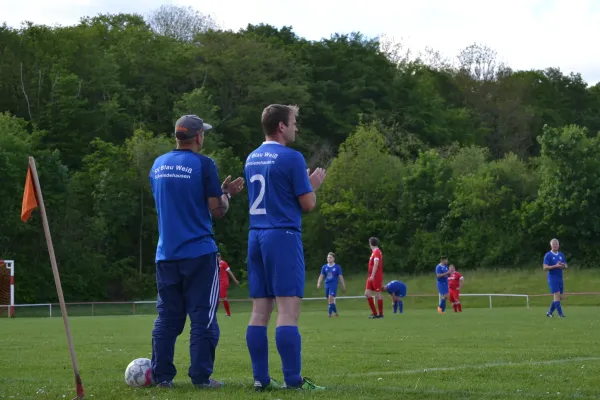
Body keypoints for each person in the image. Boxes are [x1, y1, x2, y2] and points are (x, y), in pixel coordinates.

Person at [148, 114, 245, 389]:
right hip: (199, 254)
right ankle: (201, 378)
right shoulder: (204, 164)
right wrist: (226, 195)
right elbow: (217, 210)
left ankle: (162, 377)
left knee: (167, 317)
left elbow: (172, 199)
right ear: (199, 136)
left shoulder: (158, 165)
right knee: (203, 317)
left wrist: (216, 191)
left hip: (166, 254)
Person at [244, 104, 327, 391]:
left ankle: (261, 379)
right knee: (288, 311)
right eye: (293, 123)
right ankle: (293, 381)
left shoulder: (251, 157)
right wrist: (311, 185)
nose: (296, 128)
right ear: (281, 126)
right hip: (282, 235)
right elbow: (307, 204)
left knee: (259, 312)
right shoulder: (292, 158)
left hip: (256, 236)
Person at [543, 238, 567, 318]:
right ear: (551, 245)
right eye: (554, 244)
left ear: (558, 245)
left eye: (556, 244)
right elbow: (545, 268)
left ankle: (549, 312)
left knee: (559, 297)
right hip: (552, 278)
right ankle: (561, 315)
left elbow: (566, 266)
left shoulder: (561, 255)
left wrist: (563, 266)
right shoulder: (548, 255)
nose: (555, 245)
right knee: (556, 295)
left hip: (560, 278)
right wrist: (555, 266)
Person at [316, 252, 346, 317]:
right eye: (328, 257)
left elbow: (340, 276)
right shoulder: (324, 267)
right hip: (327, 284)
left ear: (333, 258)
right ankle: (336, 312)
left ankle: (329, 314)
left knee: (330, 298)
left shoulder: (337, 267)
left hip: (334, 284)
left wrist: (343, 285)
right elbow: (321, 275)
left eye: (330, 257)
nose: (328, 259)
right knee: (329, 300)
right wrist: (319, 283)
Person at [365, 237, 384, 319]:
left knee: (377, 294)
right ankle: (374, 313)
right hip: (371, 276)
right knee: (367, 293)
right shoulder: (374, 252)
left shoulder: (377, 251)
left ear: (370, 243)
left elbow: (376, 264)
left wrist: (372, 275)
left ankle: (380, 314)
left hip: (376, 276)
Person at [217, 253, 240, 317]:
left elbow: (229, 272)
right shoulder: (215, 264)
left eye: (218, 257)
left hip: (224, 282)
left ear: (220, 257)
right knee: (224, 298)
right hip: (219, 282)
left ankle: (213, 313)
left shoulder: (223, 263)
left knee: (219, 297)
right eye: (216, 257)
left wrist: (235, 280)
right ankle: (228, 313)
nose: (217, 258)